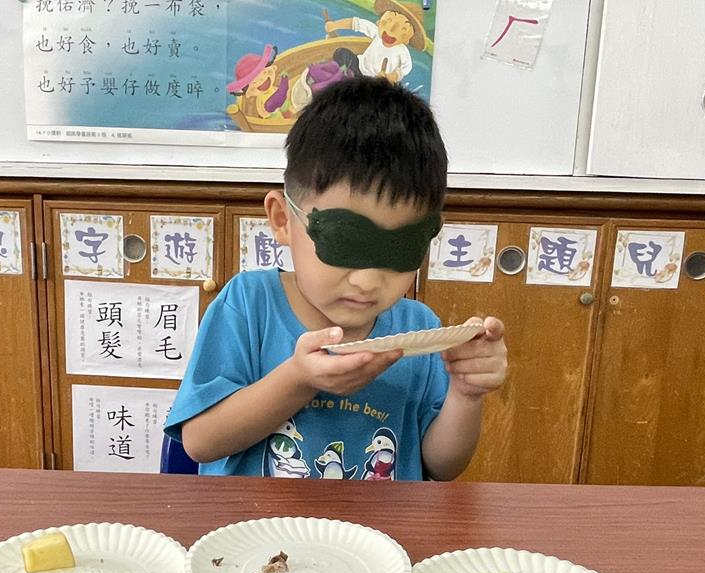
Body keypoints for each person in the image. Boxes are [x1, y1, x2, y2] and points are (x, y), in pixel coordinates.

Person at [164, 77, 507, 481]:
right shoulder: (248, 306)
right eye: (344, 241)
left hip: (379, 524)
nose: (368, 280)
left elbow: (441, 466)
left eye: (401, 249)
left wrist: (466, 394)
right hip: (256, 521)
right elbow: (201, 442)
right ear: (282, 219)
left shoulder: (419, 328)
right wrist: (298, 379)